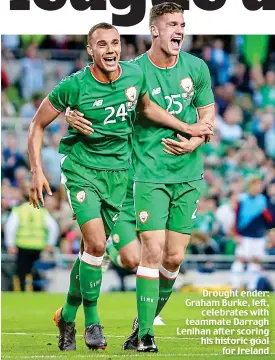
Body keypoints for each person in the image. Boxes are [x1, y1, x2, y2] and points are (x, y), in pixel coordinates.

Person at [28, 22, 213, 352]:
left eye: (115, 43)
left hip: (120, 174)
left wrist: (189, 129)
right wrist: (36, 170)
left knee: (95, 250)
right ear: (90, 50)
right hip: (82, 170)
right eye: (102, 44)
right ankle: (94, 322)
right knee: (99, 245)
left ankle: (67, 317)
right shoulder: (73, 86)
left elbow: (147, 108)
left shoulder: (133, 75)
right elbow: (38, 122)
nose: (110, 49)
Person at [4, 188, 59, 291]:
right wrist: (50, 244)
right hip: (38, 247)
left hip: (22, 246)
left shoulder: (19, 210)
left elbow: (10, 227)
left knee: (22, 271)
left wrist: (10, 244)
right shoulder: (42, 211)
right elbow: (54, 228)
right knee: (36, 271)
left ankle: (21, 291)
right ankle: (36, 290)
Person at [230, 177, 273, 291]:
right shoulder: (242, 199)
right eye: (256, 185)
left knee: (255, 261)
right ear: (251, 185)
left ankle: (252, 288)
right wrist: (236, 234)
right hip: (245, 235)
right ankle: (235, 287)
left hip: (258, 236)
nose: (259, 187)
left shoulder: (263, 200)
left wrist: (265, 212)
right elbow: (236, 217)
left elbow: (269, 220)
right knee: (240, 259)